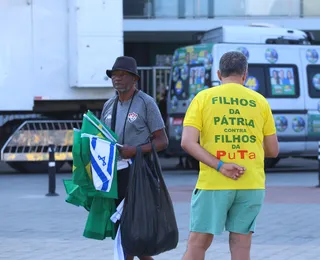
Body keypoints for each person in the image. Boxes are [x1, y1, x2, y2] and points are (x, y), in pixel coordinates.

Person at [180, 51, 279, 260]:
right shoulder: (260, 101)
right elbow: (273, 150)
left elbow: (188, 142)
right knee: (241, 245)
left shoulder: (203, 98)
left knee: (198, 243)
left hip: (214, 182)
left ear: (218, 73)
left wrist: (220, 165)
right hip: (251, 182)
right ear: (245, 75)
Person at [101, 56, 169, 260]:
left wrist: (136, 150)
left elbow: (162, 141)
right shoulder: (109, 105)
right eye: (114, 75)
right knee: (127, 234)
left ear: (134, 79)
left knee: (132, 232)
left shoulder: (146, 103)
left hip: (140, 174)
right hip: (115, 176)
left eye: (122, 75)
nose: (117, 79)